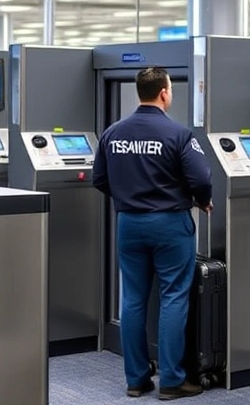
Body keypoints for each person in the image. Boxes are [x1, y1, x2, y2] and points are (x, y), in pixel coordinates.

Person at [92, 67, 212, 400]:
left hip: (129, 223)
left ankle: (137, 379)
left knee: (132, 299)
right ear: (164, 93)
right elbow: (201, 179)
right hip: (170, 224)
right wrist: (201, 201)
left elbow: (99, 179)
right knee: (173, 297)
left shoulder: (113, 133)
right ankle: (172, 381)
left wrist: (128, 197)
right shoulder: (179, 134)